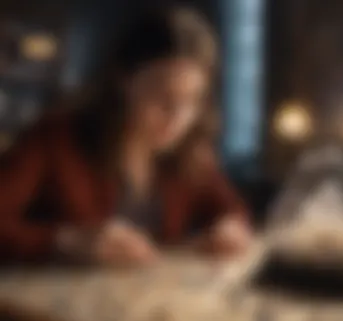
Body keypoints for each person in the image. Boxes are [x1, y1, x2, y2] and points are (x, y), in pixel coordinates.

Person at [0, 6, 252, 266]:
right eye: (160, 93)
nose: (176, 116)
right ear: (123, 80)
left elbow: (229, 210)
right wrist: (65, 241)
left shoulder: (189, 153)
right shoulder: (55, 138)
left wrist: (228, 229)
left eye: (191, 100)